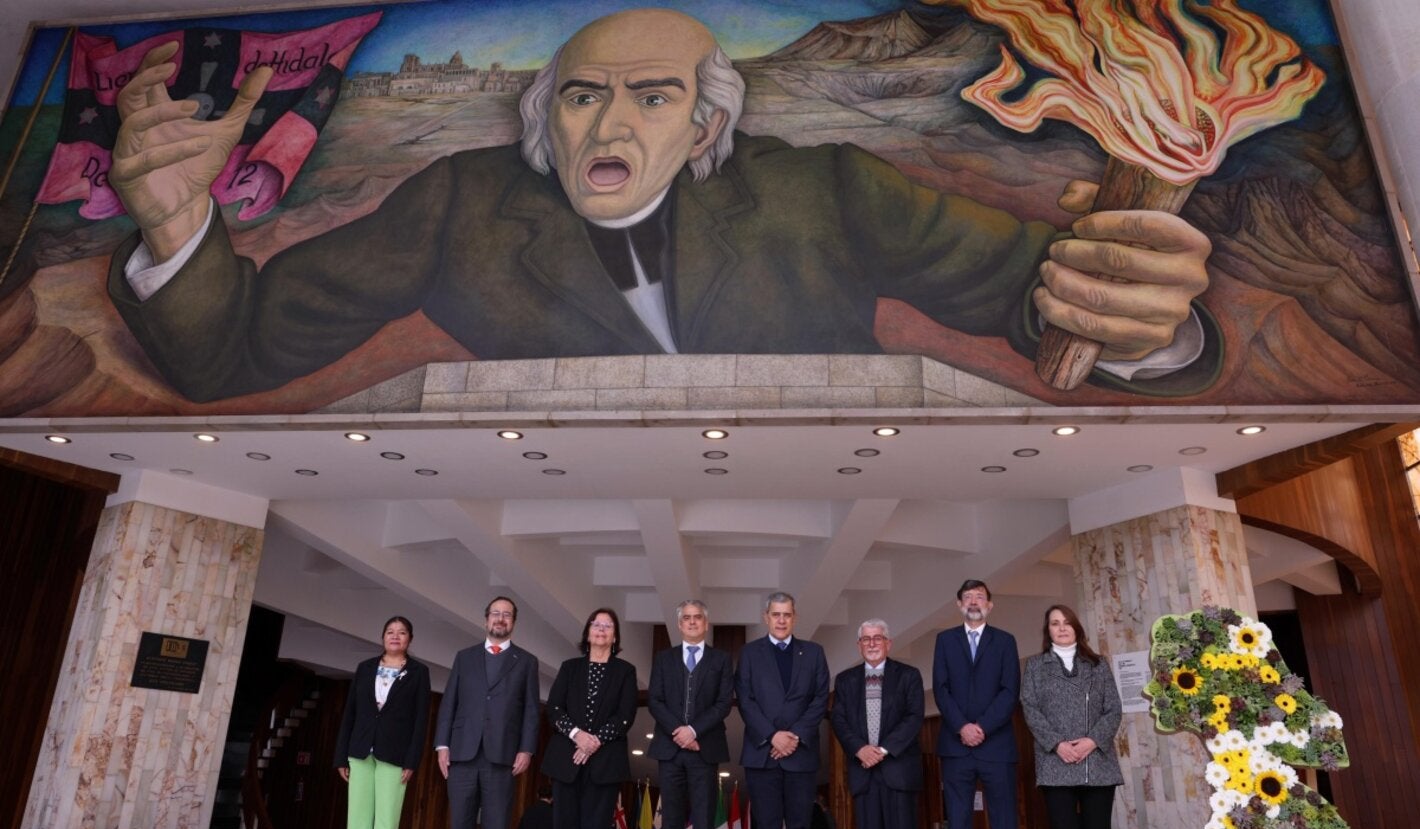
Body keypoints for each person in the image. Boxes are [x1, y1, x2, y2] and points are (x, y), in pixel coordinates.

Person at [106, 9, 1215, 404]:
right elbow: (232, 355)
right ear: (547, 122)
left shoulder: (821, 187)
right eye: (581, 97)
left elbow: (1042, 289)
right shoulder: (459, 204)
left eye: (651, 97)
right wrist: (170, 224)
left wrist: (1135, 317)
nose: (608, 126)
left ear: (704, 128)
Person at [1020, 605, 1123, 829]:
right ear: (1047, 630)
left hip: (1097, 762)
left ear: (1077, 629)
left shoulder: (1098, 664)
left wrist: (1092, 741)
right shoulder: (1035, 667)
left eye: (1066, 623)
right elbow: (1030, 709)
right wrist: (1057, 745)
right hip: (1056, 762)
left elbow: (1113, 708)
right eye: (1054, 623)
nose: (1061, 628)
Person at [432, 596, 540, 829]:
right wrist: (442, 745)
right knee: (461, 827)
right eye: (496, 614)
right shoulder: (464, 657)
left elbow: (532, 711)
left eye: (507, 615)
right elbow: (448, 703)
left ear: (513, 623)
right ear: (486, 620)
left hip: (502, 756)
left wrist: (527, 748)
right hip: (462, 754)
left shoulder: (526, 661)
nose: (500, 619)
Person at [933, 580, 1028, 829]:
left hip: (996, 748)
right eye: (968, 598)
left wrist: (982, 727)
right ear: (959, 604)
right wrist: (962, 727)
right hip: (956, 749)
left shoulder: (1004, 641)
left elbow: (1009, 690)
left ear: (990, 604)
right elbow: (940, 688)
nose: (974, 602)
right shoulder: (944, 640)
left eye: (980, 597)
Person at [736, 591, 829, 829]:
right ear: (766, 617)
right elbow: (744, 700)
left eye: (786, 614)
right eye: (775, 614)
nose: (781, 620)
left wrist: (795, 736)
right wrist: (773, 736)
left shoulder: (814, 653)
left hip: (800, 756)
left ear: (795, 616)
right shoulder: (749, 654)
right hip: (762, 755)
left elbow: (820, 699)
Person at [542, 607, 638, 829]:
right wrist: (577, 735)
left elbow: (625, 715)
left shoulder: (625, 671)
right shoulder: (570, 667)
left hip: (604, 763)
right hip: (566, 761)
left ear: (615, 636)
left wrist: (594, 741)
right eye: (596, 624)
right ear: (587, 633)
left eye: (607, 626)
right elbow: (555, 707)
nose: (601, 630)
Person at [830, 619, 925, 829]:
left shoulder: (908, 676)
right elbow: (840, 721)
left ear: (889, 642)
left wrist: (882, 750)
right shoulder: (844, 681)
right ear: (859, 645)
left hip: (897, 772)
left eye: (878, 638)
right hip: (864, 773)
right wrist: (860, 750)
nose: (872, 643)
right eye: (866, 639)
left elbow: (913, 719)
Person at [332, 615, 431, 829]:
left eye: (402, 633)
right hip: (360, 751)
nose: (395, 636)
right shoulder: (364, 668)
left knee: (387, 819)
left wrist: (412, 759)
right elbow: (349, 713)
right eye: (390, 631)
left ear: (409, 639)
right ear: (382, 637)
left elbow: (420, 721)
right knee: (358, 819)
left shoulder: (418, 672)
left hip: (395, 755)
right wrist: (341, 755)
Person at [648, 599, 734, 829]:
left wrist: (695, 730)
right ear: (680, 624)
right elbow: (654, 699)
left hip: (704, 751)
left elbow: (724, 702)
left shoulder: (721, 660)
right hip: (670, 752)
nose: (693, 622)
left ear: (706, 623)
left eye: (699, 617)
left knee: (702, 828)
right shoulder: (664, 659)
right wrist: (679, 732)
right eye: (687, 618)